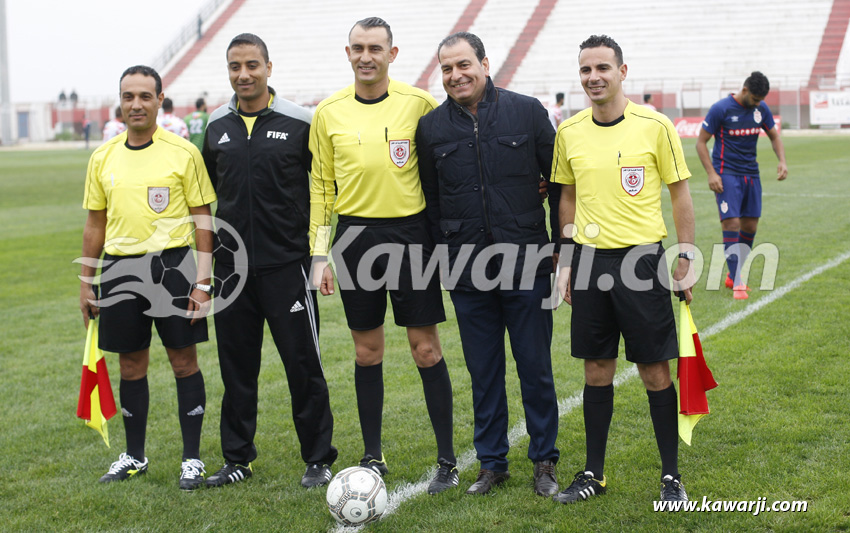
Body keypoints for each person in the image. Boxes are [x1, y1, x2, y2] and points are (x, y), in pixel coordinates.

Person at [309, 17, 457, 495]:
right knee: (366, 351)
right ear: (347, 53)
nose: (365, 55)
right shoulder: (328, 112)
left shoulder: (419, 104)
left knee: (425, 347)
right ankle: (373, 455)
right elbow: (320, 188)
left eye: (375, 47)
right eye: (358, 47)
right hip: (355, 239)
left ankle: (447, 459)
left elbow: (446, 164)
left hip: (411, 236)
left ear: (392, 54)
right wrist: (318, 254)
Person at [551, 35, 696, 504]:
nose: (593, 77)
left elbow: (679, 194)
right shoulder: (569, 131)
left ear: (622, 71)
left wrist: (687, 256)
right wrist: (567, 260)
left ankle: (671, 476)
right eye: (585, 70)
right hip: (591, 262)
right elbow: (567, 198)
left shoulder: (654, 126)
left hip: (640, 262)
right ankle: (594, 472)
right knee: (596, 368)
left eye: (602, 69)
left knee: (655, 369)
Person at [417, 32, 561, 497]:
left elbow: (558, 182)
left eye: (463, 65)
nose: (455, 75)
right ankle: (492, 462)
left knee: (534, 366)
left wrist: (561, 244)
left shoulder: (527, 111)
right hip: (466, 268)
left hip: (526, 261)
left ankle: (544, 460)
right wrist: (444, 252)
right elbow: (431, 200)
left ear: (483, 62)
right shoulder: (432, 128)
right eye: (446, 69)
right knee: (484, 370)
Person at [202, 33, 337, 489]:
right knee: (236, 369)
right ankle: (237, 458)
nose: (244, 74)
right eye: (235, 66)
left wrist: (319, 254)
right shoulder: (215, 126)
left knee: (303, 366)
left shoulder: (300, 122)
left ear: (268, 67)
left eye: (252, 65)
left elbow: (322, 191)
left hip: (289, 267)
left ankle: (318, 457)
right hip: (232, 272)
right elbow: (209, 194)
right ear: (228, 70)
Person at [79, 65, 216, 491]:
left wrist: (204, 281)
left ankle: (191, 459)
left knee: (183, 361)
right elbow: (95, 225)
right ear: (119, 101)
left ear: (160, 100)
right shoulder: (102, 157)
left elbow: (204, 220)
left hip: (173, 268)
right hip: (119, 271)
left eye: (144, 96)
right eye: (128, 96)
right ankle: (134, 456)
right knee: (130, 364)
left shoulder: (183, 152)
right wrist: (87, 280)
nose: (135, 103)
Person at [695, 71, 787, 300]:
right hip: (727, 173)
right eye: (755, 99)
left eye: (760, 100)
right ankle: (737, 281)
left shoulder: (761, 110)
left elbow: (774, 136)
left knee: (750, 226)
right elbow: (701, 142)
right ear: (745, 90)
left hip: (751, 174)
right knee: (732, 222)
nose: (758, 103)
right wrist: (711, 174)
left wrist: (782, 161)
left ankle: (731, 275)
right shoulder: (721, 109)